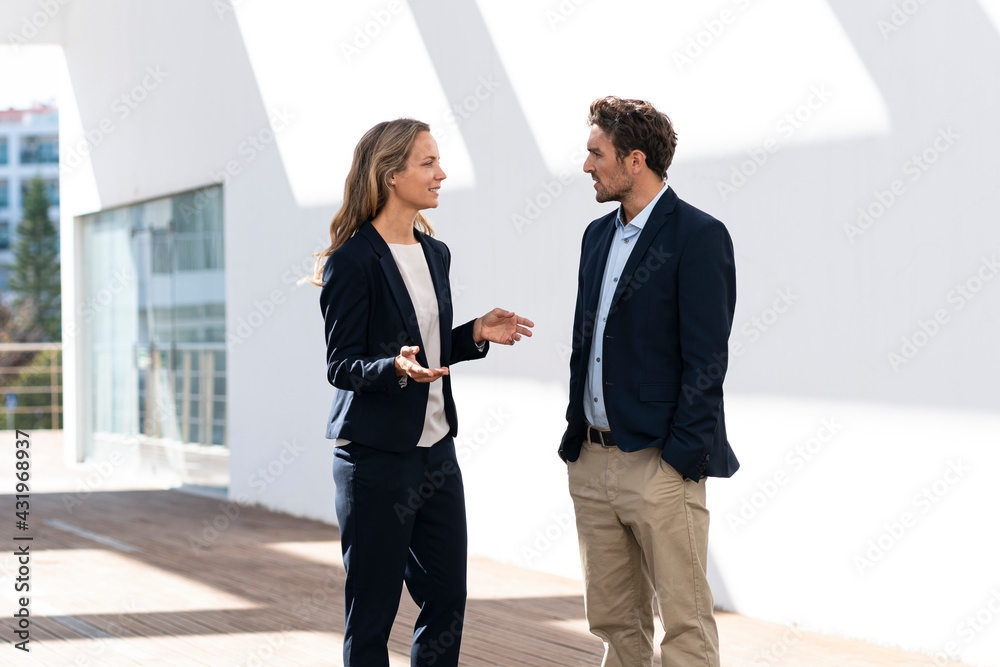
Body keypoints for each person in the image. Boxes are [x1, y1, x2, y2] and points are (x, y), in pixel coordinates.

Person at [308, 118, 533, 667]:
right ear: (390, 175)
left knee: (446, 599)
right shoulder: (352, 260)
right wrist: (395, 369)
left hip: (436, 453)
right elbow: (342, 364)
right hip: (375, 459)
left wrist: (473, 332)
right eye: (428, 163)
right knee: (373, 611)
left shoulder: (437, 254)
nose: (441, 174)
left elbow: (427, 347)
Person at [559, 97, 739, 667]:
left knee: (684, 625)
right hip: (591, 457)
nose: (586, 165)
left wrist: (680, 458)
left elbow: (707, 360)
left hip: (659, 462)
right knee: (615, 622)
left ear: (635, 161)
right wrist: (577, 441)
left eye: (596, 153)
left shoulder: (699, 236)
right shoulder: (595, 236)